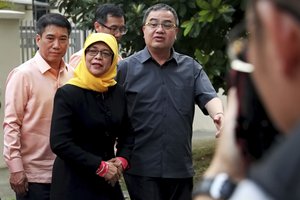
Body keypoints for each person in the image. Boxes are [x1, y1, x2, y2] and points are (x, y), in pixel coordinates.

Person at [192, 0, 300, 199]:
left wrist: (221, 170)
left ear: (283, 35)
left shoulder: (275, 184)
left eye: (251, 38)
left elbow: (207, 95)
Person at [116, 3, 224, 200]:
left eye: (167, 25)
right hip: (140, 166)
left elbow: (209, 96)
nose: (160, 30)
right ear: (144, 30)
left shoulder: (190, 67)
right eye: (154, 24)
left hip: (179, 167)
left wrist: (219, 115)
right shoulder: (125, 69)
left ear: (175, 31)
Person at [49, 32, 134, 200]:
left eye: (105, 53)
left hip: (108, 181)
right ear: (85, 55)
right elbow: (60, 143)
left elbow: (128, 132)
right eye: (93, 51)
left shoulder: (117, 92)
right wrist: (99, 166)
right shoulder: (68, 93)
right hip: (73, 182)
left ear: (113, 59)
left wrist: (122, 159)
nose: (98, 57)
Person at [3, 13, 73, 200]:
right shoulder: (23, 75)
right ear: (38, 39)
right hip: (34, 175)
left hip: (69, 171)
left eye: (63, 39)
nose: (56, 45)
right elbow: (11, 124)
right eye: (50, 38)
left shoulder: (73, 76)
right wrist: (15, 168)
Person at [69, 3, 127, 67]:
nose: (118, 34)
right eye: (113, 29)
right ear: (97, 26)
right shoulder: (80, 59)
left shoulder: (119, 60)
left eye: (121, 29)